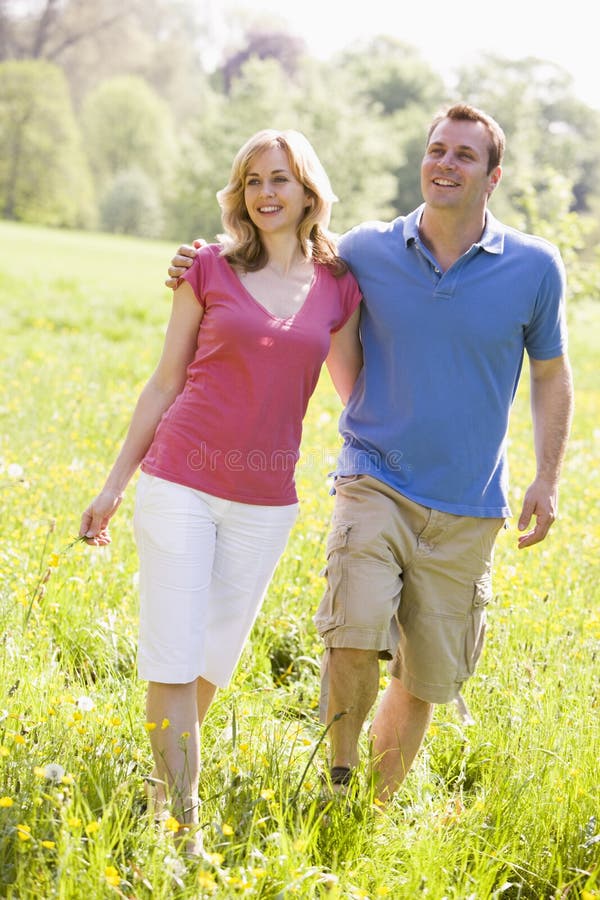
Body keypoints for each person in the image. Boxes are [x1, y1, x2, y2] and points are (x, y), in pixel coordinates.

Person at [165, 103, 574, 803]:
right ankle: (336, 780)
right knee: (351, 631)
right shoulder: (365, 250)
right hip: (373, 475)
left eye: (464, 155)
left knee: (424, 677)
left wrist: (548, 477)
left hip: (469, 503)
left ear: (493, 176)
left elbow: (550, 373)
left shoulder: (534, 267)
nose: (445, 163)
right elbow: (281, 245)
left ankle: (369, 812)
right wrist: (205, 257)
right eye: (436, 149)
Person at [79, 128, 362, 849]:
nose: (266, 193)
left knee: (209, 663)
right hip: (179, 483)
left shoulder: (339, 285)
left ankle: (159, 787)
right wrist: (115, 485)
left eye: (281, 179)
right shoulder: (205, 266)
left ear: (309, 192)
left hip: (266, 504)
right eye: (253, 181)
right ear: (240, 195)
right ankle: (183, 833)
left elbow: (356, 391)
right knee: (173, 656)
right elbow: (164, 381)